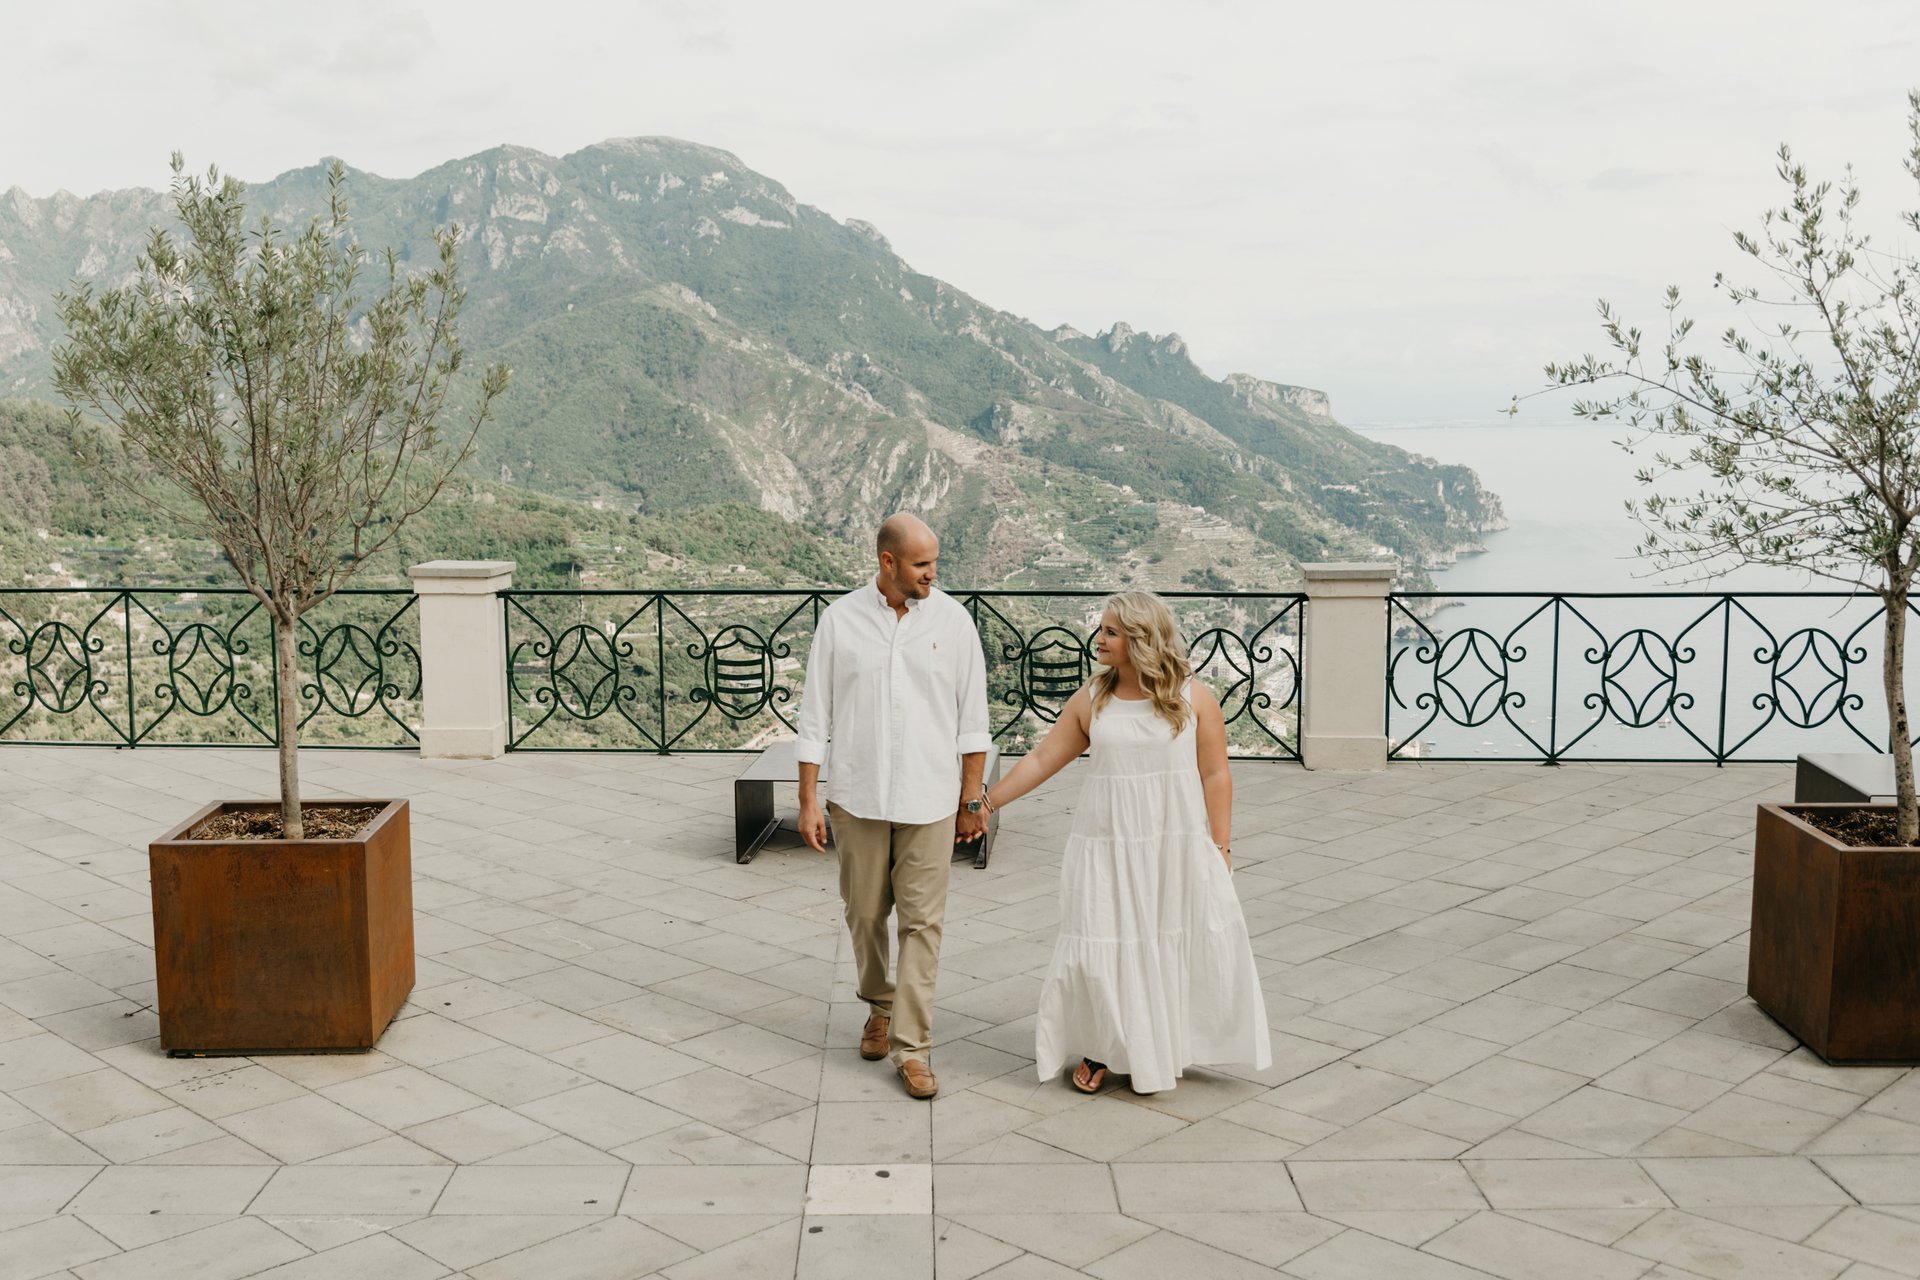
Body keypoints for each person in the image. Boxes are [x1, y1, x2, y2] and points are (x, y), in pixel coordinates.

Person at [984, 590, 1270, 1094]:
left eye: (1111, 632)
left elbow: (1216, 775)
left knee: (1168, 937)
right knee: (1103, 940)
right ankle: (1103, 1046)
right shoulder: (1093, 697)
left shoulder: (1191, 696)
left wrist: (1221, 848)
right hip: (1107, 844)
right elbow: (1041, 760)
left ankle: (1160, 1044)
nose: (1099, 639)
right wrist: (987, 804)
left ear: (1141, 639)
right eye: (1102, 629)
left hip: (1172, 844)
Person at [795, 513, 991, 1100]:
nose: (934, 573)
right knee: (863, 912)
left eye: (933, 562)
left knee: (923, 923)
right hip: (857, 796)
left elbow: (972, 723)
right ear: (888, 563)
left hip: (930, 799)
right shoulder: (840, 621)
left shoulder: (955, 623)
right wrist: (808, 798)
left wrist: (971, 798)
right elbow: (814, 717)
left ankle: (912, 1046)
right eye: (922, 564)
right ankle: (878, 1005)